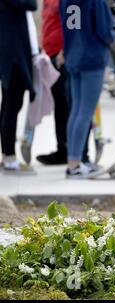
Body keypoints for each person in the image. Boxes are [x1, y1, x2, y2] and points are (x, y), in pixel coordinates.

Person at [60, 0, 115, 178]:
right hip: (92, 59)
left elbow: (68, 29)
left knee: (76, 110)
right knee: (85, 112)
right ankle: (75, 165)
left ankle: (73, 161)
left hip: (73, 57)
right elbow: (105, 32)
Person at [36, 0, 89, 166]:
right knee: (60, 104)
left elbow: (75, 25)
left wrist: (67, 49)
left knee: (69, 104)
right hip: (50, 55)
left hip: (63, 56)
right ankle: (63, 147)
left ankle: (74, 151)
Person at [0, 0, 37, 174]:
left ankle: (8, 154)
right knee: (11, 106)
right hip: (14, 57)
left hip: (14, 54)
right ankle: (9, 155)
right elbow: (32, 4)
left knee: (9, 105)